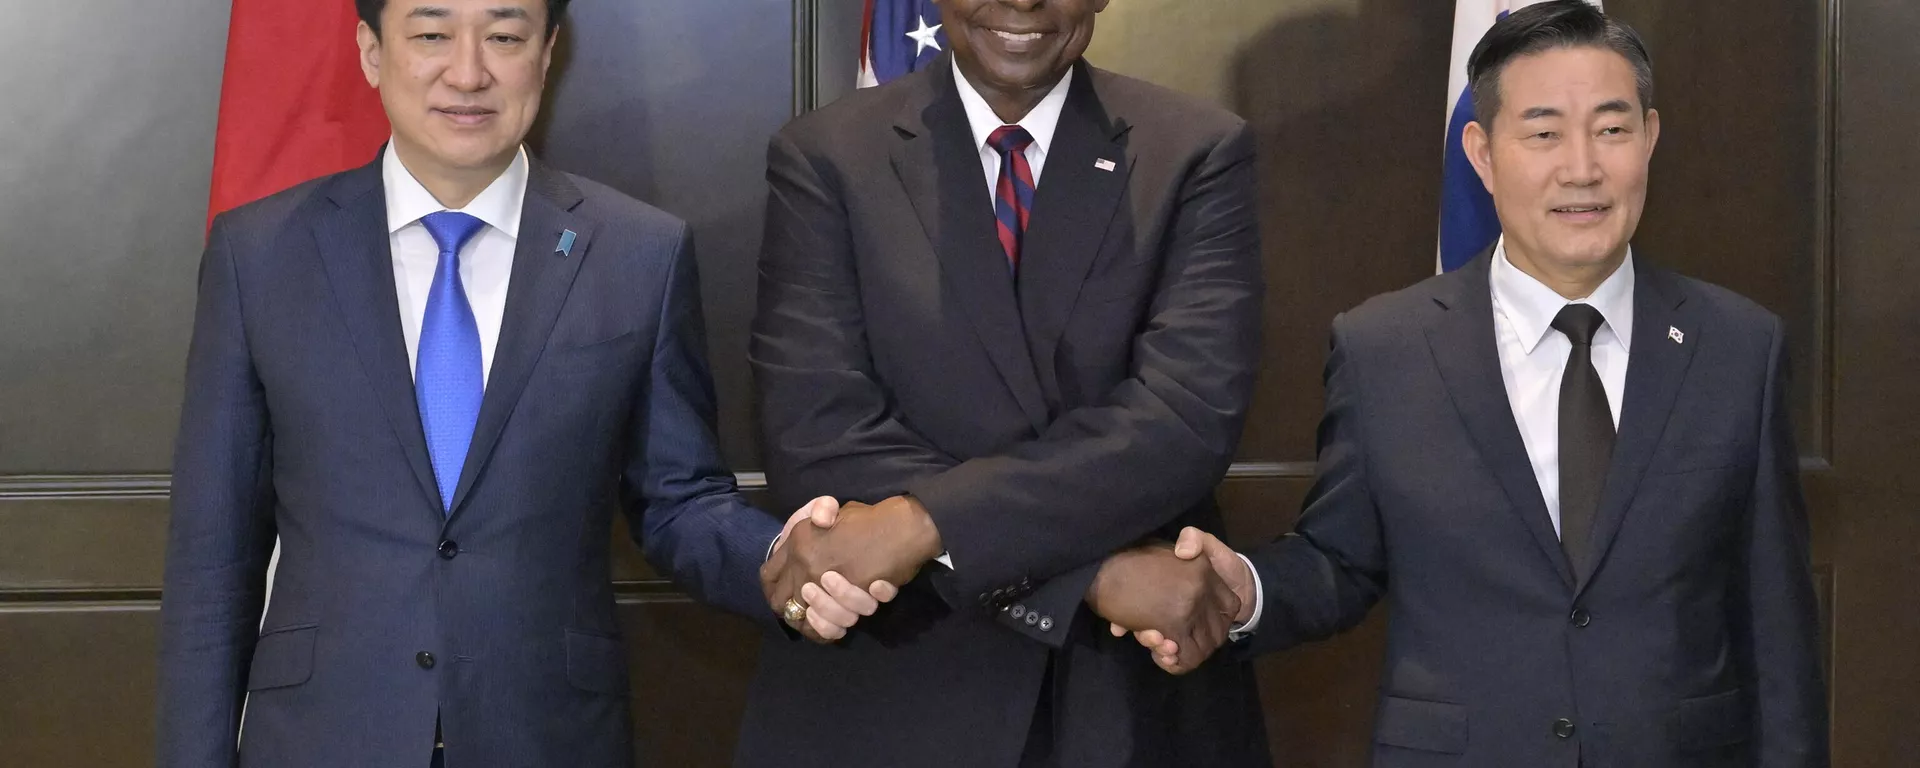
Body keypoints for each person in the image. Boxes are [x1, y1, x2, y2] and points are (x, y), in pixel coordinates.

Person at [155, 2, 875, 766]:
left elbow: (679, 502)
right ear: (371, 51)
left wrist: (779, 555)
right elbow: (213, 559)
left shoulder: (637, 253)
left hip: (546, 736)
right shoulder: (260, 254)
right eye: (431, 35)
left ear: (548, 52)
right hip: (319, 738)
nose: (468, 72)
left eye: (504, 36)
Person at [1119, 3, 1829, 766]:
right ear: (1483, 154)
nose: (1582, 167)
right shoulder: (1384, 347)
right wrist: (1244, 589)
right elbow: (1341, 560)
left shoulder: (1738, 346)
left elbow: (1776, 625)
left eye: (1612, 128)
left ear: (1650, 138)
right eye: (1544, 132)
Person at [743, 0, 1270, 765]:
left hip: (1122, 700)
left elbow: (1180, 423)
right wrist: (1089, 577)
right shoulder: (826, 154)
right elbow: (817, 433)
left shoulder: (1195, 149)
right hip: (894, 685)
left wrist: (919, 525)